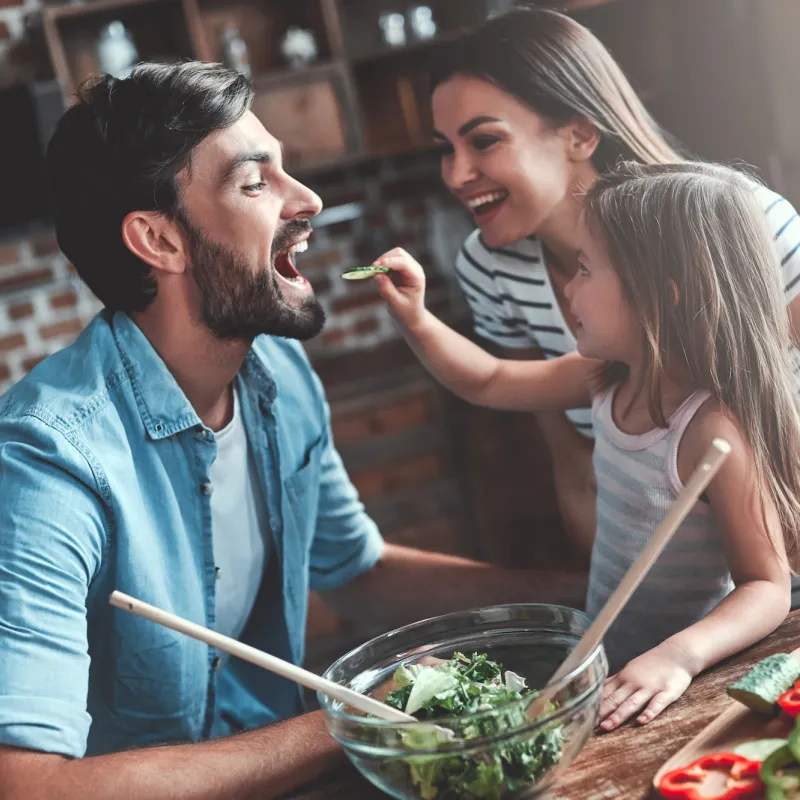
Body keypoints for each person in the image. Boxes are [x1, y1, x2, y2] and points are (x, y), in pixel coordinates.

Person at [0, 62, 586, 799]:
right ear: (159, 239)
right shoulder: (47, 462)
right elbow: (25, 784)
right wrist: (355, 719)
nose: (306, 199)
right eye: (255, 183)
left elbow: (358, 572)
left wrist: (584, 599)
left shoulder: (275, 374)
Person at [371, 160, 800, 732]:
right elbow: (490, 380)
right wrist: (417, 319)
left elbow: (767, 587)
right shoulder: (608, 376)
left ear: (661, 298)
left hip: (678, 689)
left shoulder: (711, 430)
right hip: (609, 659)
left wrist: (678, 657)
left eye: (585, 269)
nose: (568, 288)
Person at [430, 8, 800, 560]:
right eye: (444, 149)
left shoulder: (750, 224)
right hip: (666, 594)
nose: (456, 175)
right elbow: (575, 464)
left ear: (579, 134)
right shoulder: (491, 268)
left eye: (483, 141)